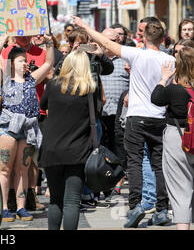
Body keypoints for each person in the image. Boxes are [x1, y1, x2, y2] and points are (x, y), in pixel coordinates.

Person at [73, 15, 173, 228]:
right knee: (158, 165)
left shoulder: (137, 54)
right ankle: (162, 209)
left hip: (137, 117)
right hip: (159, 118)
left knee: (135, 162)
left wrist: (84, 25)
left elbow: (107, 43)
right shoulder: (169, 60)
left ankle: (135, 206)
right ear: (163, 39)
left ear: (145, 38)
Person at [0, 33, 54, 222]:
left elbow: (48, 64)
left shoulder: (32, 79)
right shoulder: (4, 80)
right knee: (4, 169)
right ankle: (4, 206)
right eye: (20, 61)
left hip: (27, 130)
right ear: (11, 63)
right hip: (6, 129)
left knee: (23, 169)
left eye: (25, 60)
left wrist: (49, 43)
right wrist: (0, 42)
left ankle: (21, 207)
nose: (25, 63)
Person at [40, 50, 97, 230]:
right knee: (72, 201)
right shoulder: (89, 89)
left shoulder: (53, 85)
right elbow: (97, 114)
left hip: (52, 149)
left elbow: (43, 105)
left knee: (55, 200)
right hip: (77, 150)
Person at [151, 47, 194, 230]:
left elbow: (155, 98)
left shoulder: (174, 90)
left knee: (180, 191)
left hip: (178, 138)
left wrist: (164, 77)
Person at [99, 28, 129, 200]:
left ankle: (118, 181)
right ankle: (103, 183)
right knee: (102, 149)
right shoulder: (96, 59)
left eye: (113, 40)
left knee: (118, 148)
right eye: (106, 40)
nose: (109, 44)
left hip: (119, 114)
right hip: (100, 113)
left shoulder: (125, 60)